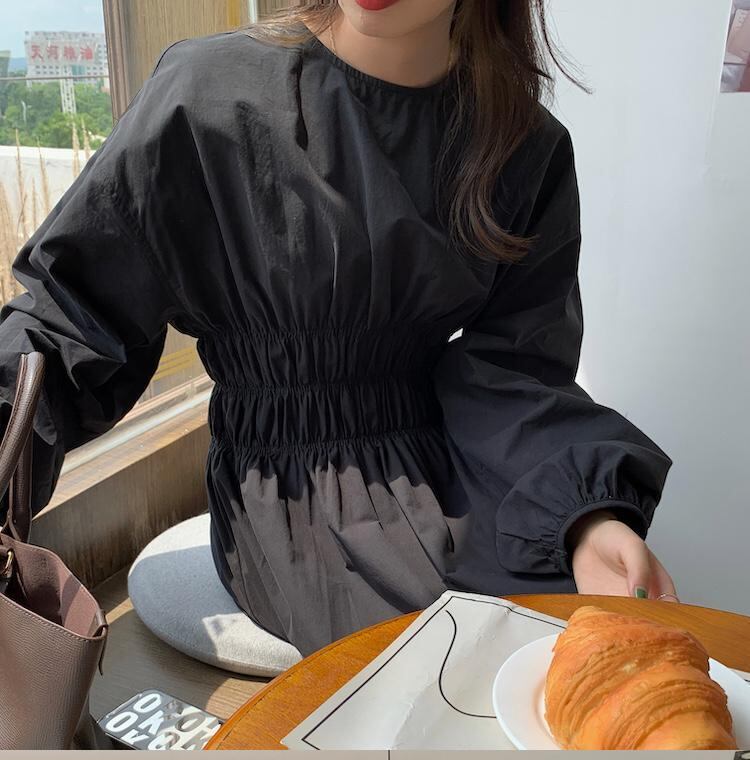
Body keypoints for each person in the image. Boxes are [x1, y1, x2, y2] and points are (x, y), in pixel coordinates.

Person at [0, 4, 674, 661]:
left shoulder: (522, 141)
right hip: (293, 484)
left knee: (594, 649)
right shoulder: (208, 93)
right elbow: (71, 316)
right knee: (456, 665)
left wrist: (583, 514)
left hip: (460, 462)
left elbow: (516, 370)